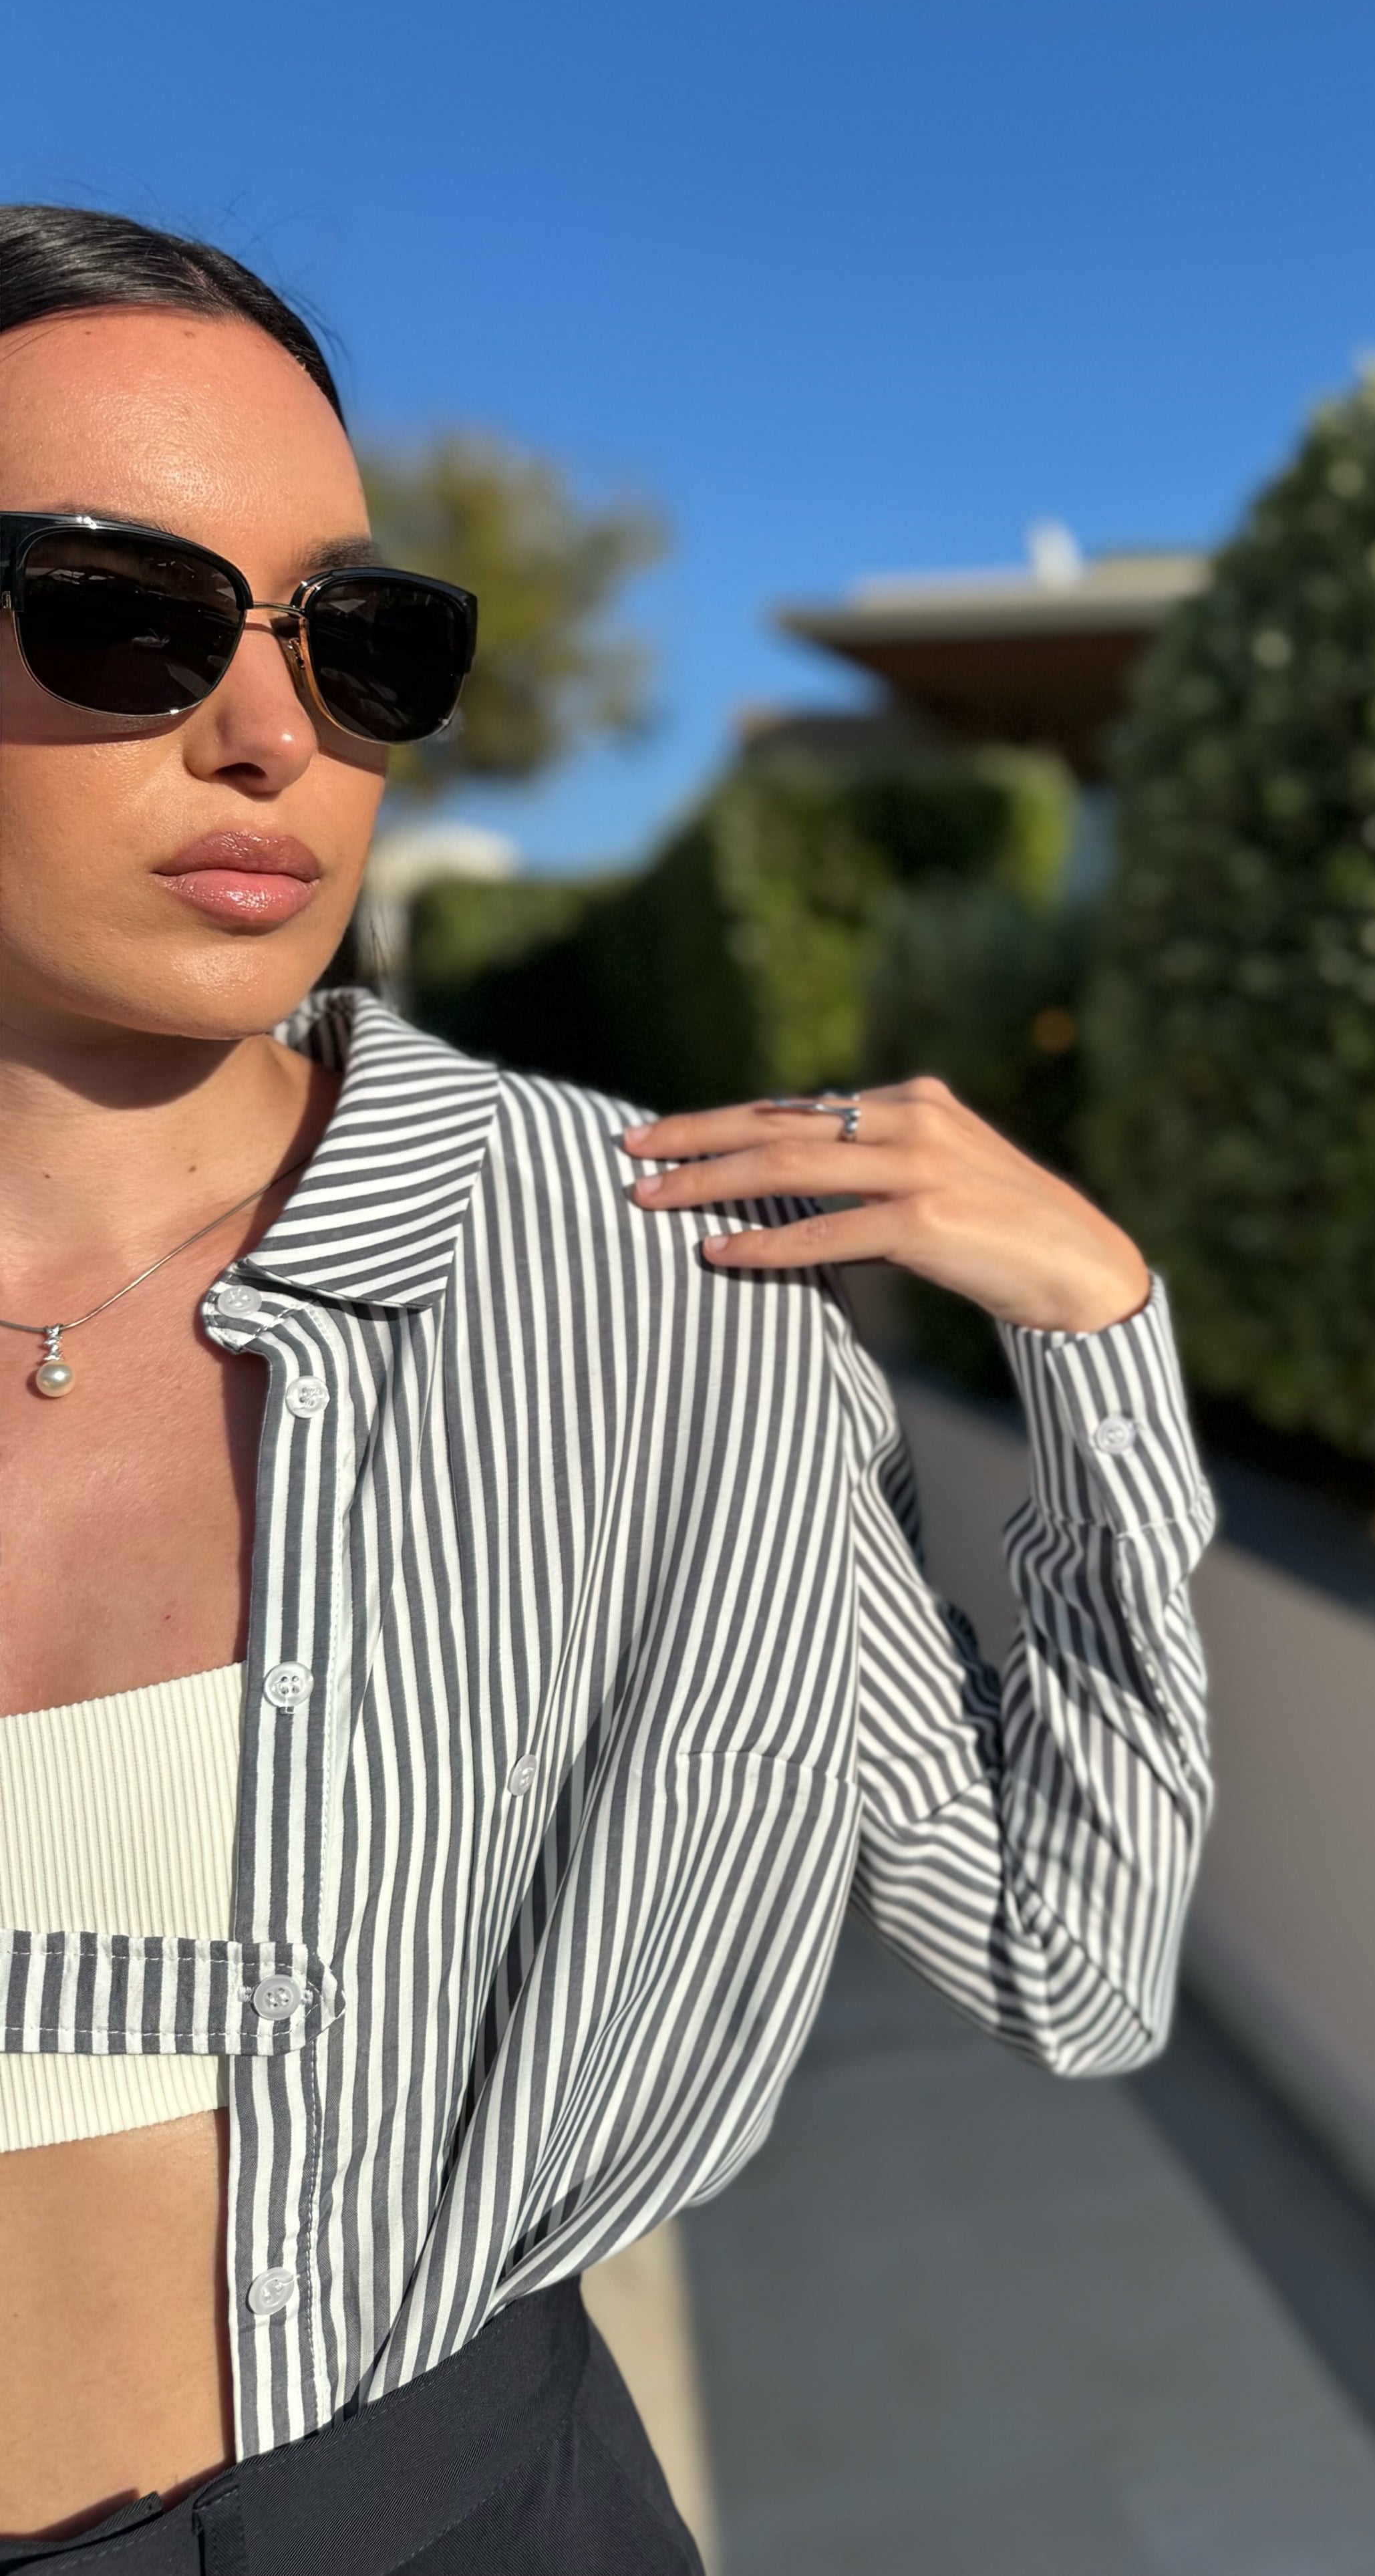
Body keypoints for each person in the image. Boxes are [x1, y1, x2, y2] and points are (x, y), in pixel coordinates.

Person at [0, 206, 1215, 2572]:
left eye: (359, 641)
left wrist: (1098, 1342)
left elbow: (1072, 1954)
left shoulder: (648, 1297)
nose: (273, 731)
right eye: (118, 613)